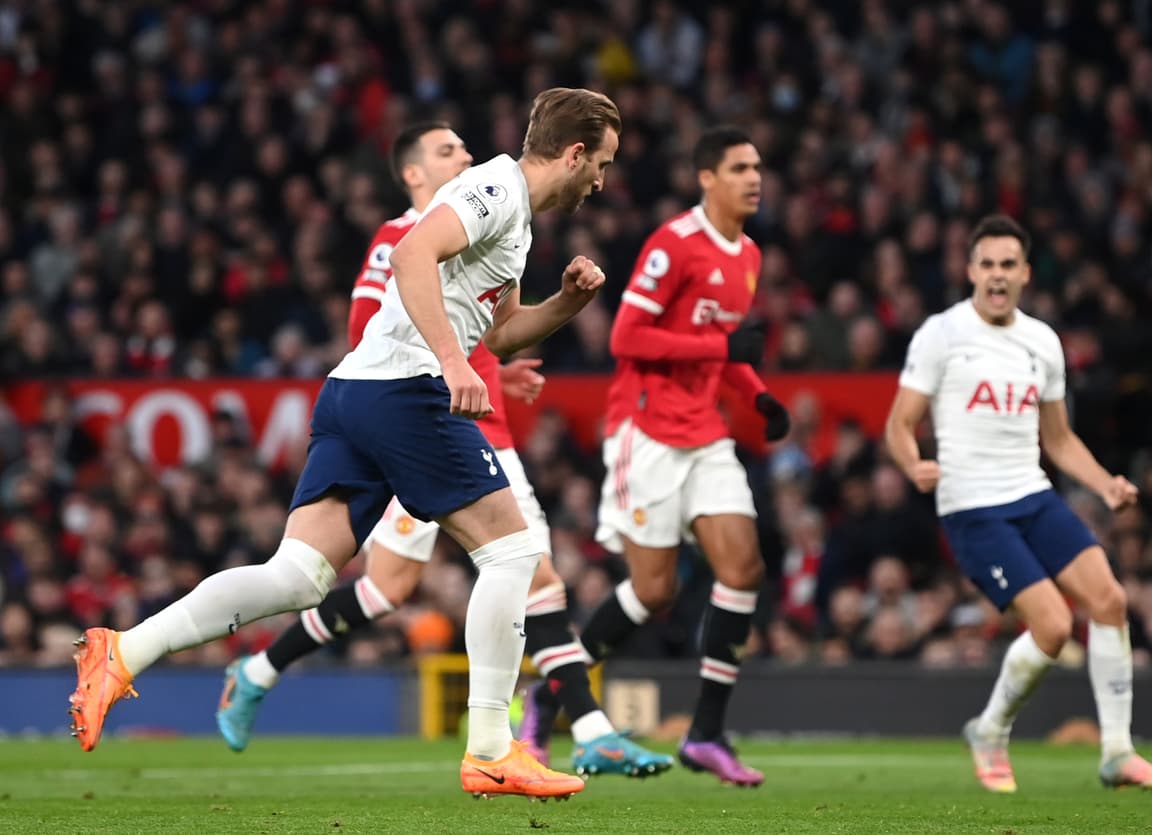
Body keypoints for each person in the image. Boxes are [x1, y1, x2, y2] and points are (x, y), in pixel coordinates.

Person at [69, 88, 621, 801]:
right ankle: (490, 747)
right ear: (574, 154)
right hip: (407, 389)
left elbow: (502, 331)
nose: (602, 182)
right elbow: (413, 252)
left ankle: (124, 650)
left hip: (356, 391)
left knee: (298, 575)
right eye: (601, 164)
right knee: (513, 551)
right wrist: (453, 363)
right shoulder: (495, 188)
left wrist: (566, 306)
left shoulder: (517, 222)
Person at [214, 121, 670, 779]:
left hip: (463, 417)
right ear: (412, 173)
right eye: (446, 150)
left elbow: (494, 328)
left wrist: (495, 365)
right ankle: (564, 728)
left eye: (463, 147)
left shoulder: (487, 215)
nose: (465, 155)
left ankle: (258, 668)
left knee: (398, 585)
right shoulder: (402, 235)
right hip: (413, 415)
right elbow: (369, 331)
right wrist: (456, 366)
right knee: (521, 570)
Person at [522, 127, 788, 787]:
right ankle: (549, 696)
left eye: (758, 167)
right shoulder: (675, 245)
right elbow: (626, 335)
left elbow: (723, 347)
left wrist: (757, 396)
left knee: (743, 567)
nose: (755, 178)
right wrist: (726, 356)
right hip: (645, 430)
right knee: (654, 589)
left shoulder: (748, 255)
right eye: (740, 168)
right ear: (707, 178)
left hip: (705, 431)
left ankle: (706, 733)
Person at [883, 214, 1152, 793]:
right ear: (971, 271)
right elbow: (900, 423)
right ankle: (990, 731)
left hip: (1033, 495)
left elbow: (1059, 439)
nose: (997, 276)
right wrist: (910, 461)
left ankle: (1118, 752)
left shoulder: (1042, 341)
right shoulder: (942, 334)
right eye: (987, 265)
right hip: (972, 507)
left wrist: (1105, 485)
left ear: (1025, 273)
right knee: (1051, 624)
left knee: (1111, 601)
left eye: (1008, 266)